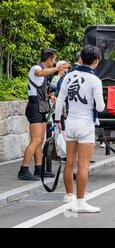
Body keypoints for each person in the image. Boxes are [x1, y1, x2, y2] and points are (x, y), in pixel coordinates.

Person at [55, 45, 104, 213]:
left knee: (69, 162)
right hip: (85, 125)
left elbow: (60, 101)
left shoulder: (69, 76)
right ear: (96, 61)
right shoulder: (95, 80)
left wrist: (56, 121)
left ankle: (70, 198)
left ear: (81, 58)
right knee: (83, 165)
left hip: (70, 123)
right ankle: (81, 202)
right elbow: (101, 107)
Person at [18, 49, 69, 181]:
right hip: (35, 107)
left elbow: (38, 87)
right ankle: (23, 169)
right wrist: (57, 69)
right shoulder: (36, 68)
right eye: (54, 59)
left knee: (39, 140)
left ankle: (39, 169)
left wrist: (49, 96)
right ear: (50, 59)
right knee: (35, 140)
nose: (55, 62)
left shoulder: (44, 73)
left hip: (40, 107)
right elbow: (39, 73)